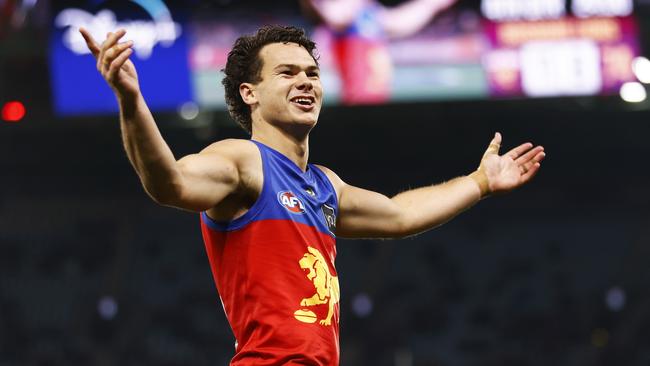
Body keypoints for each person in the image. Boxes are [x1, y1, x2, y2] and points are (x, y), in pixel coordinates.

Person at [79, 25, 545, 366]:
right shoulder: (244, 162)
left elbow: (400, 215)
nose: (306, 81)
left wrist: (479, 182)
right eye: (287, 73)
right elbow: (170, 184)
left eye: (312, 72)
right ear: (250, 93)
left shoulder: (325, 185)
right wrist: (131, 102)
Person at [300, 0, 458, 104]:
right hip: (357, 105)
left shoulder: (371, 13)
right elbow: (332, 16)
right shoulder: (343, 13)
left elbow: (401, 21)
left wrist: (431, 4)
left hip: (380, 101)